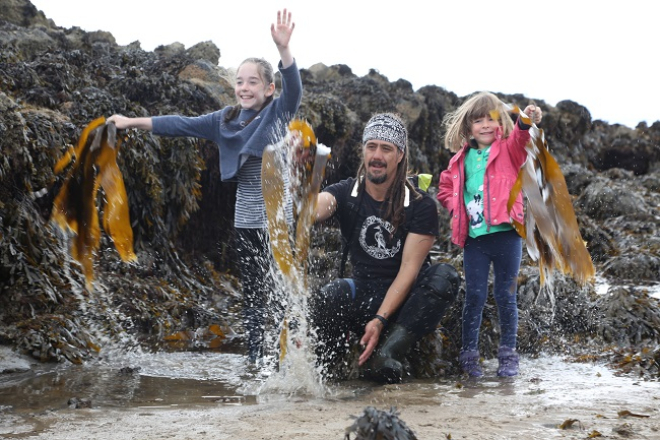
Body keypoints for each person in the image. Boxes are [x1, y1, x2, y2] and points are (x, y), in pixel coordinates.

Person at [107, 9, 302, 364]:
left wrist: (284, 50)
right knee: (254, 293)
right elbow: (179, 124)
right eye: (240, 81)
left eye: (253, 82)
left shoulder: (276, 114)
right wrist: (131, 122)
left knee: (280, 292)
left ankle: (286, 358)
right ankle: (257, 360)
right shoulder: (223, 120)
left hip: (277, 223)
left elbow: (295, 91)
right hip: (245, 221)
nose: (244, 87)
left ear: (269, 88)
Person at [311, 113, 460, 384]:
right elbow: (316, 206)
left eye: (386, 148)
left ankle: (389, 352)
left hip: (406, 305)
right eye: (372, 146)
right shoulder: (347, 192)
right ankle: (328, 370)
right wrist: (300, 193)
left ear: (400, 155)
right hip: (364, 293)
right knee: (329, 295)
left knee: (444, 277)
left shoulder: (420, 204)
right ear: (364, 150)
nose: (377, 155)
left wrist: (380, 320)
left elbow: (408, 271)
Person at [437, 91, 542, 377]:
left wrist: (525, 119)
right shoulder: (459, 160)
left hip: (507, 236)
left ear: (501, 124)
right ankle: (469, 356)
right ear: (468, 126)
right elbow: (445, 188)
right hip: (475, 241)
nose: (485, 125)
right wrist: (455, 206)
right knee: (474, 296)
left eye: (491, 120)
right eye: (478, 120)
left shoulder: (509, 149)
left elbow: (522, 137)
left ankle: (508, 355)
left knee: (506, 296)